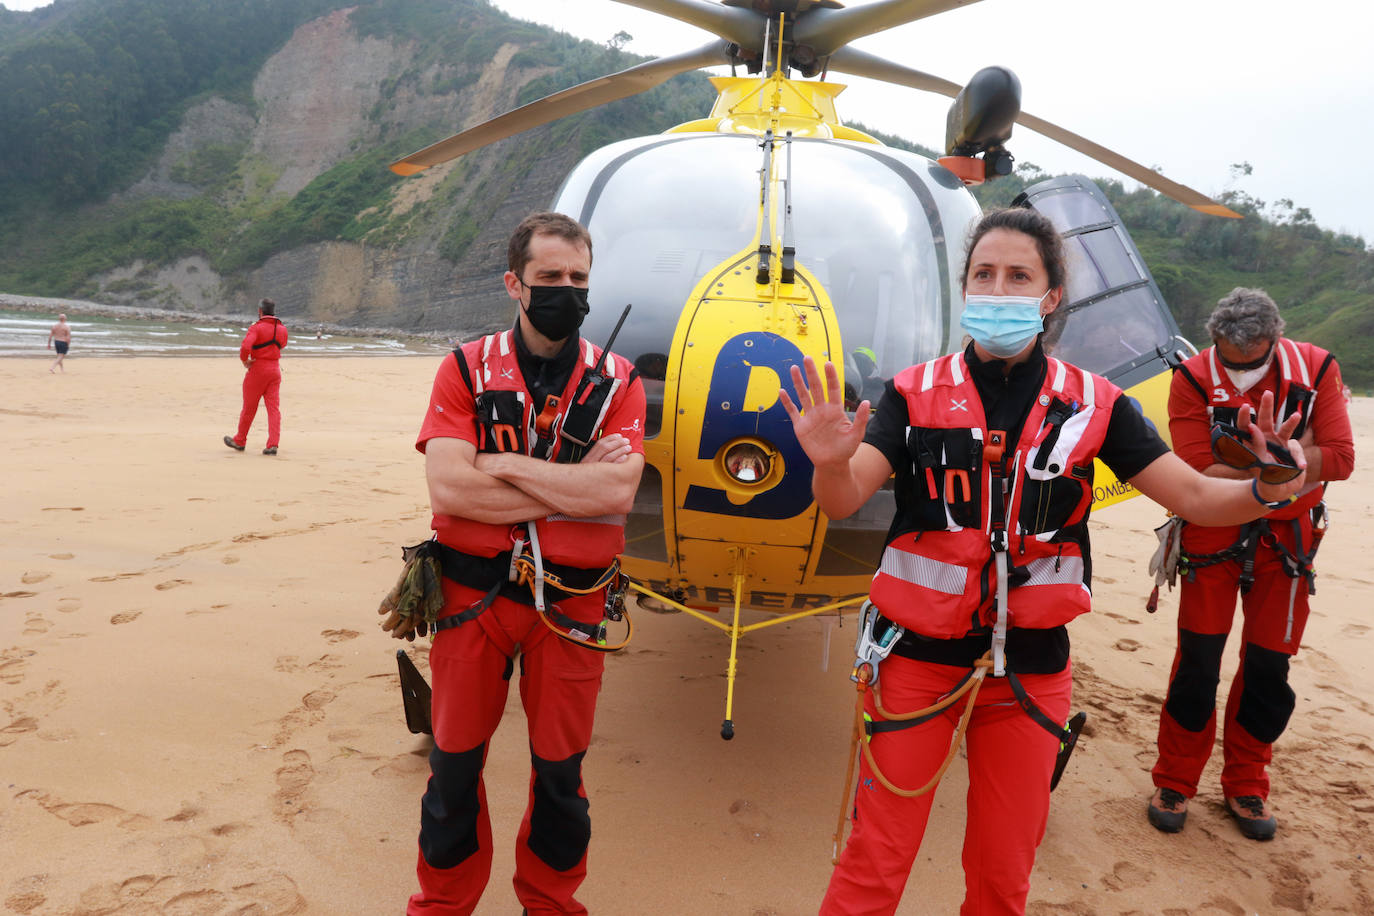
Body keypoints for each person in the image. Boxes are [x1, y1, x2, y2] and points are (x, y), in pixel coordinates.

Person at [779, 207, 1311, 915]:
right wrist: (826, 463)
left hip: (1028, 676)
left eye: (1019, 276)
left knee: (1003, 879)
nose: (999, 290)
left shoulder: (1098, 405)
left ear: (1051, 295)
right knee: (874, 864)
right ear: (964, 287)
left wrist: (1271, 485)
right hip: (913, 663)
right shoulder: (909, 395)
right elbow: (844, 499)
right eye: (984, 275)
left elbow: (1193, 494)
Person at [402, 211, 646, 915]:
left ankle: (551, 905)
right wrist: (566, 487)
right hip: (468, 600)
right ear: (515, 282)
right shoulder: (464, 369)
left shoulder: (618, 381)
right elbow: (448, 486)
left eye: (578, 278)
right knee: (451, 770)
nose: (565, 291)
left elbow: (617, 490)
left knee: (561, 777)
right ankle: (442, 906)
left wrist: (500, 465)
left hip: (571, 608)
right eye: (549, 278)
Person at [1146, 288, 1353, 841]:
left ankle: (1247, 782)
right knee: (1198, 660)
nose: (1243, 375)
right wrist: (1282, 463)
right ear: (1214, 340)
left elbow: (1344, 458)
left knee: (1268, 666)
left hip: (1289, 539)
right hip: (1211, 530)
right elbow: (1192, 470)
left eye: (1255, 363)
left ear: (1274, 341)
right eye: (1231, 365)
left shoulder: (1317, 366)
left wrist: (1242, 465)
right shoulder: (1190, 375)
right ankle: (1174, 779)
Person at [223, 298, 288, 455]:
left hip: (258, 369)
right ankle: (273, 444)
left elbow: (246, 346)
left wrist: (245, 361)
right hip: (274, 369)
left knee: (249, 408)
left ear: (260, 311)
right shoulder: (282, 329)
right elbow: (283, 344)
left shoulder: (256, 328)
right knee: (274, 409)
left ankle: (240, 440)